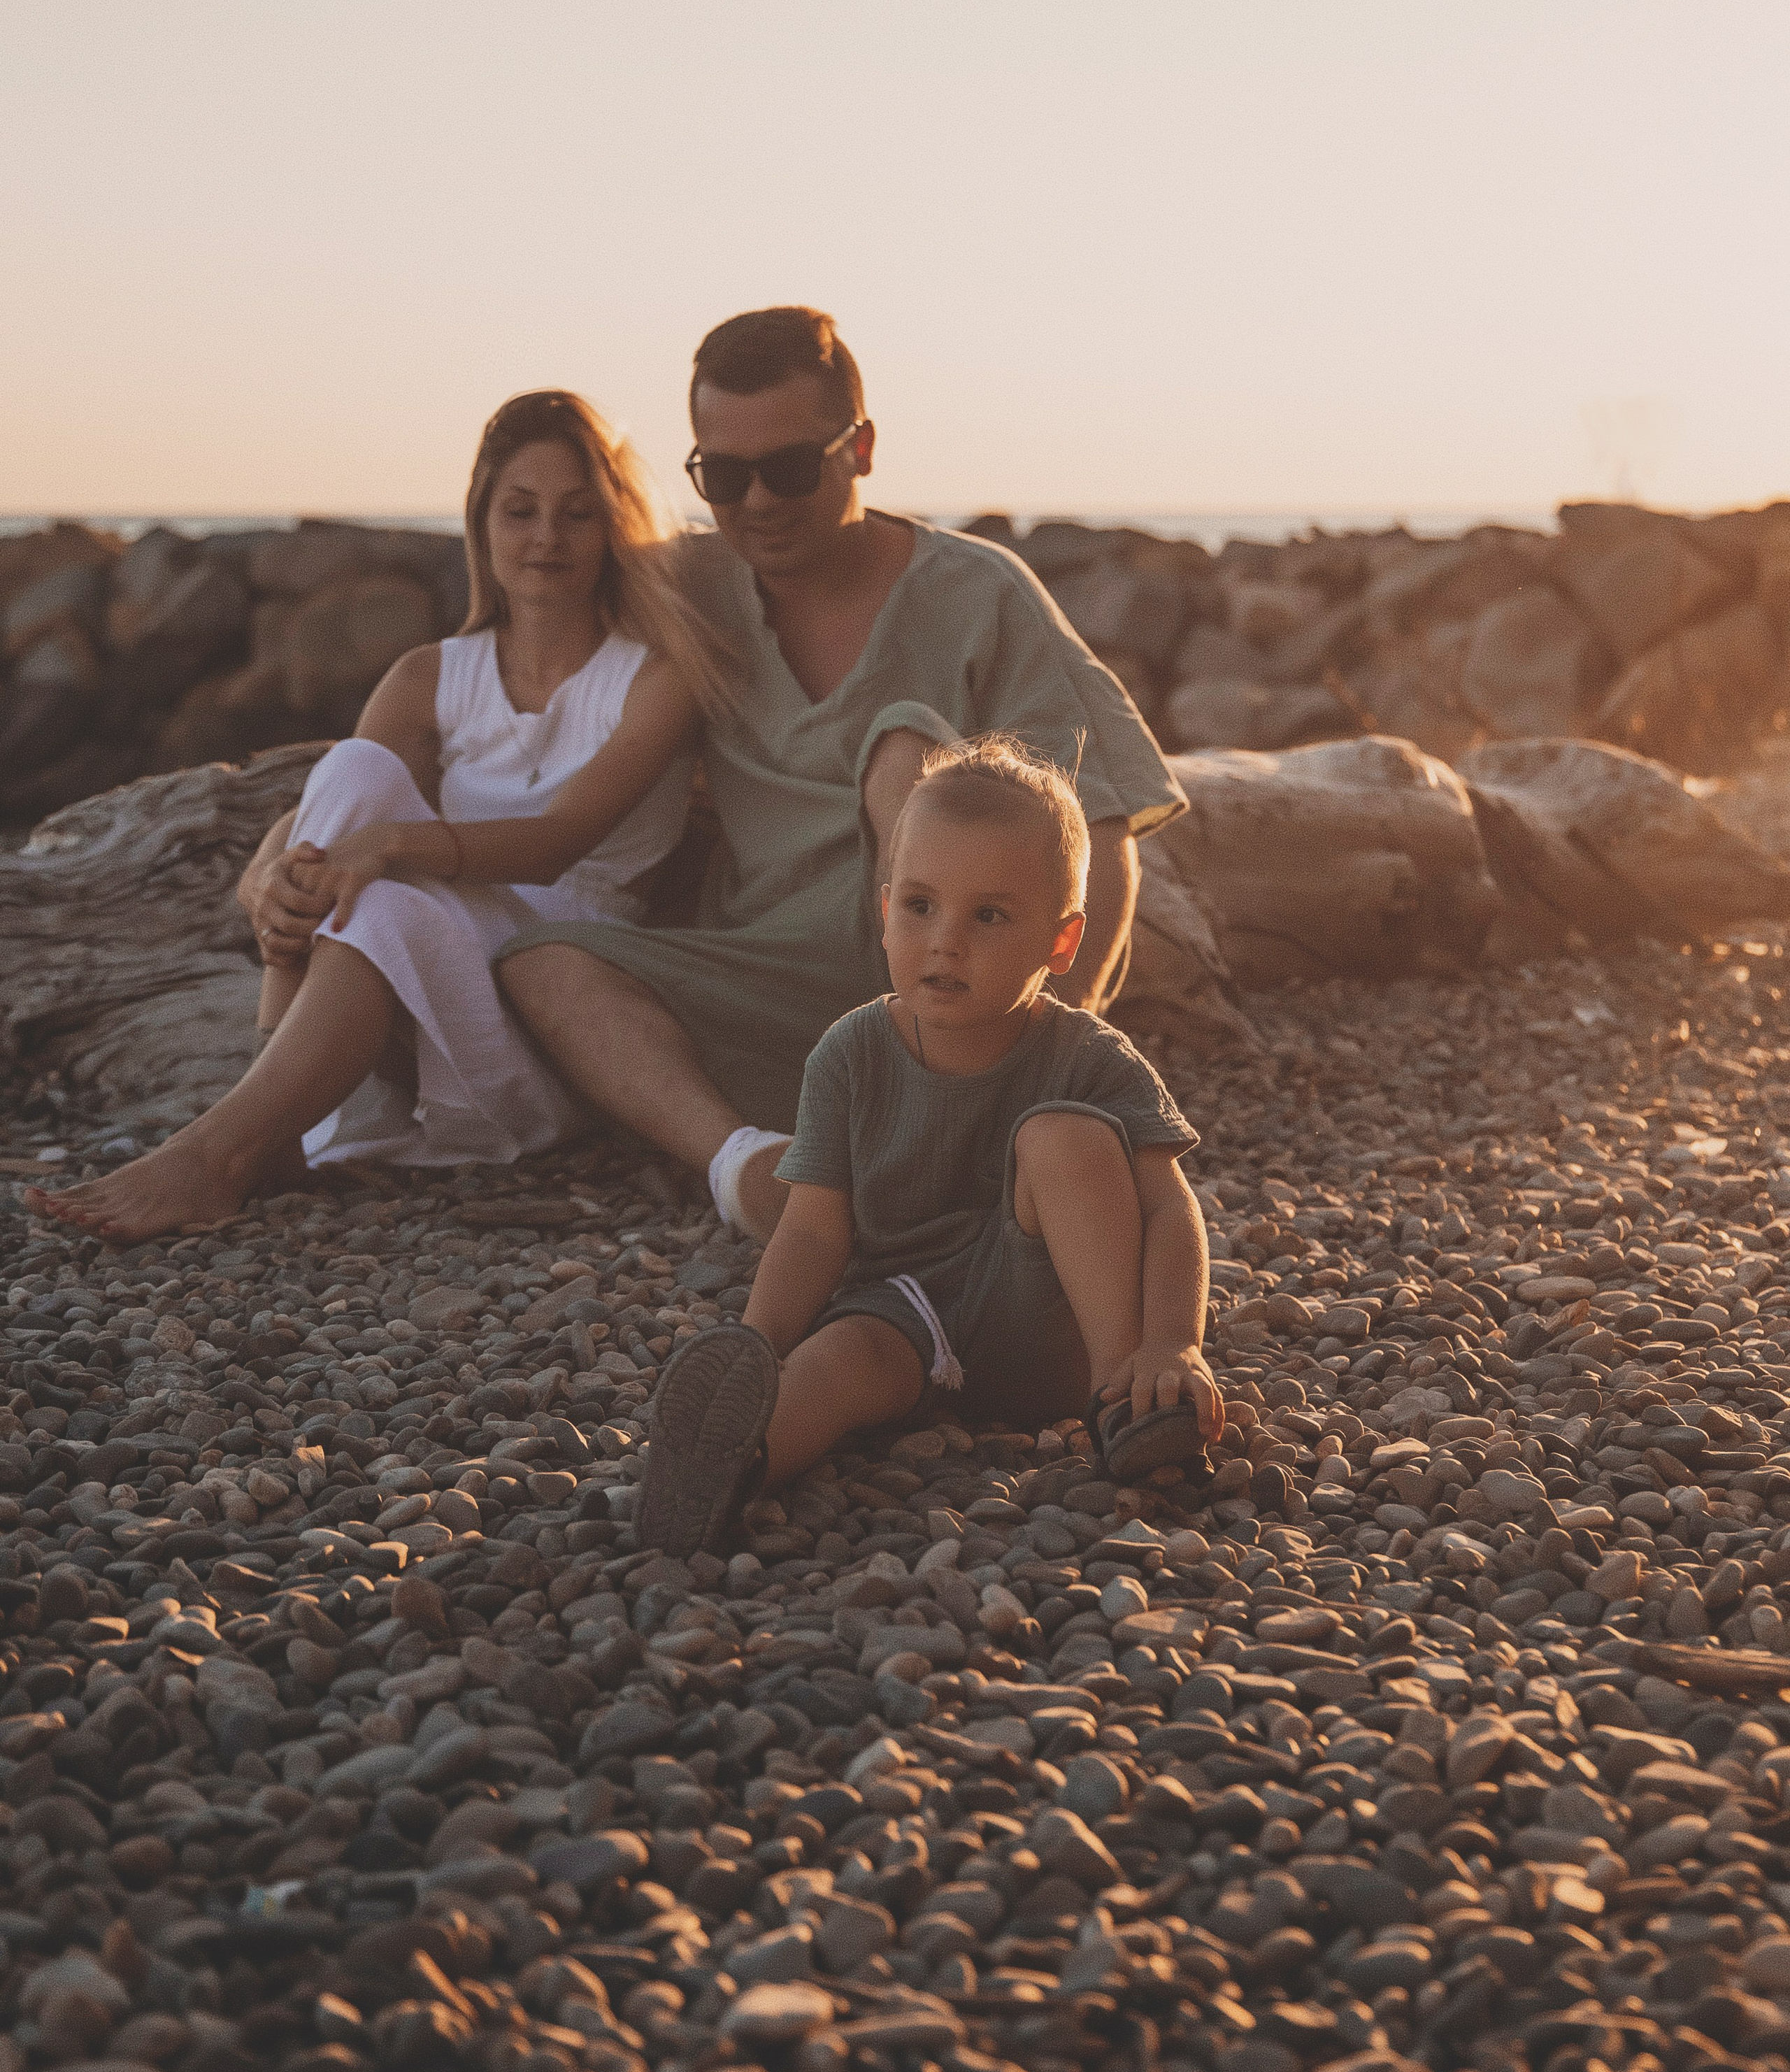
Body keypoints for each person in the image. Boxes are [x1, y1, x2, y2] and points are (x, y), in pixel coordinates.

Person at [496, 306, 1187, 1243]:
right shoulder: (687, 589)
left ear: (859, 448)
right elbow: (495, 670)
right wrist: (329, 814)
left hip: (943, 969)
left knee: (902, 742)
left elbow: (1099, 829)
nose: (757, 503)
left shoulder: (980, 594)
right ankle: (752, 1168)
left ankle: (955, 1116)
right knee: (545, 964)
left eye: (788, 469)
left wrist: (1047, 1057)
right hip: (762, 969)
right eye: (724, 476)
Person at [29, 390, 721, 1244]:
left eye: (577, 514)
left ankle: (217, 1151)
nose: (548, 538)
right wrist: (271, 863)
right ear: (482, 522)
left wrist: (389, 843)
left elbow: (555, 845)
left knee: (386, 892)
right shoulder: (430, 675)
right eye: (521, 510)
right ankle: (265, 1130)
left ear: (613, 525)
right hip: (430, 993)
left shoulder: (655, 680)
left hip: (567, 1011)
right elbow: (342, 806)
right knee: (358, 774)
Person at [633, 736, 1221, 1564]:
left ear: (1060, 944)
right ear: (883, 913)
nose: (946, 941)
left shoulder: (1091, 1059)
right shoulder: (849, 1054)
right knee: (836, 1359)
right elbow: (810, 1231)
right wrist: (759, 1342)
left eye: (988, 915)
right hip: (908, 1314)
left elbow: (1168, 1206)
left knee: (1063, 1137)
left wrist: (1171, 1343)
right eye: (920, 906)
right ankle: (735, 1462)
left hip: (1058, 1327)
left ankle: (1125, 1404)